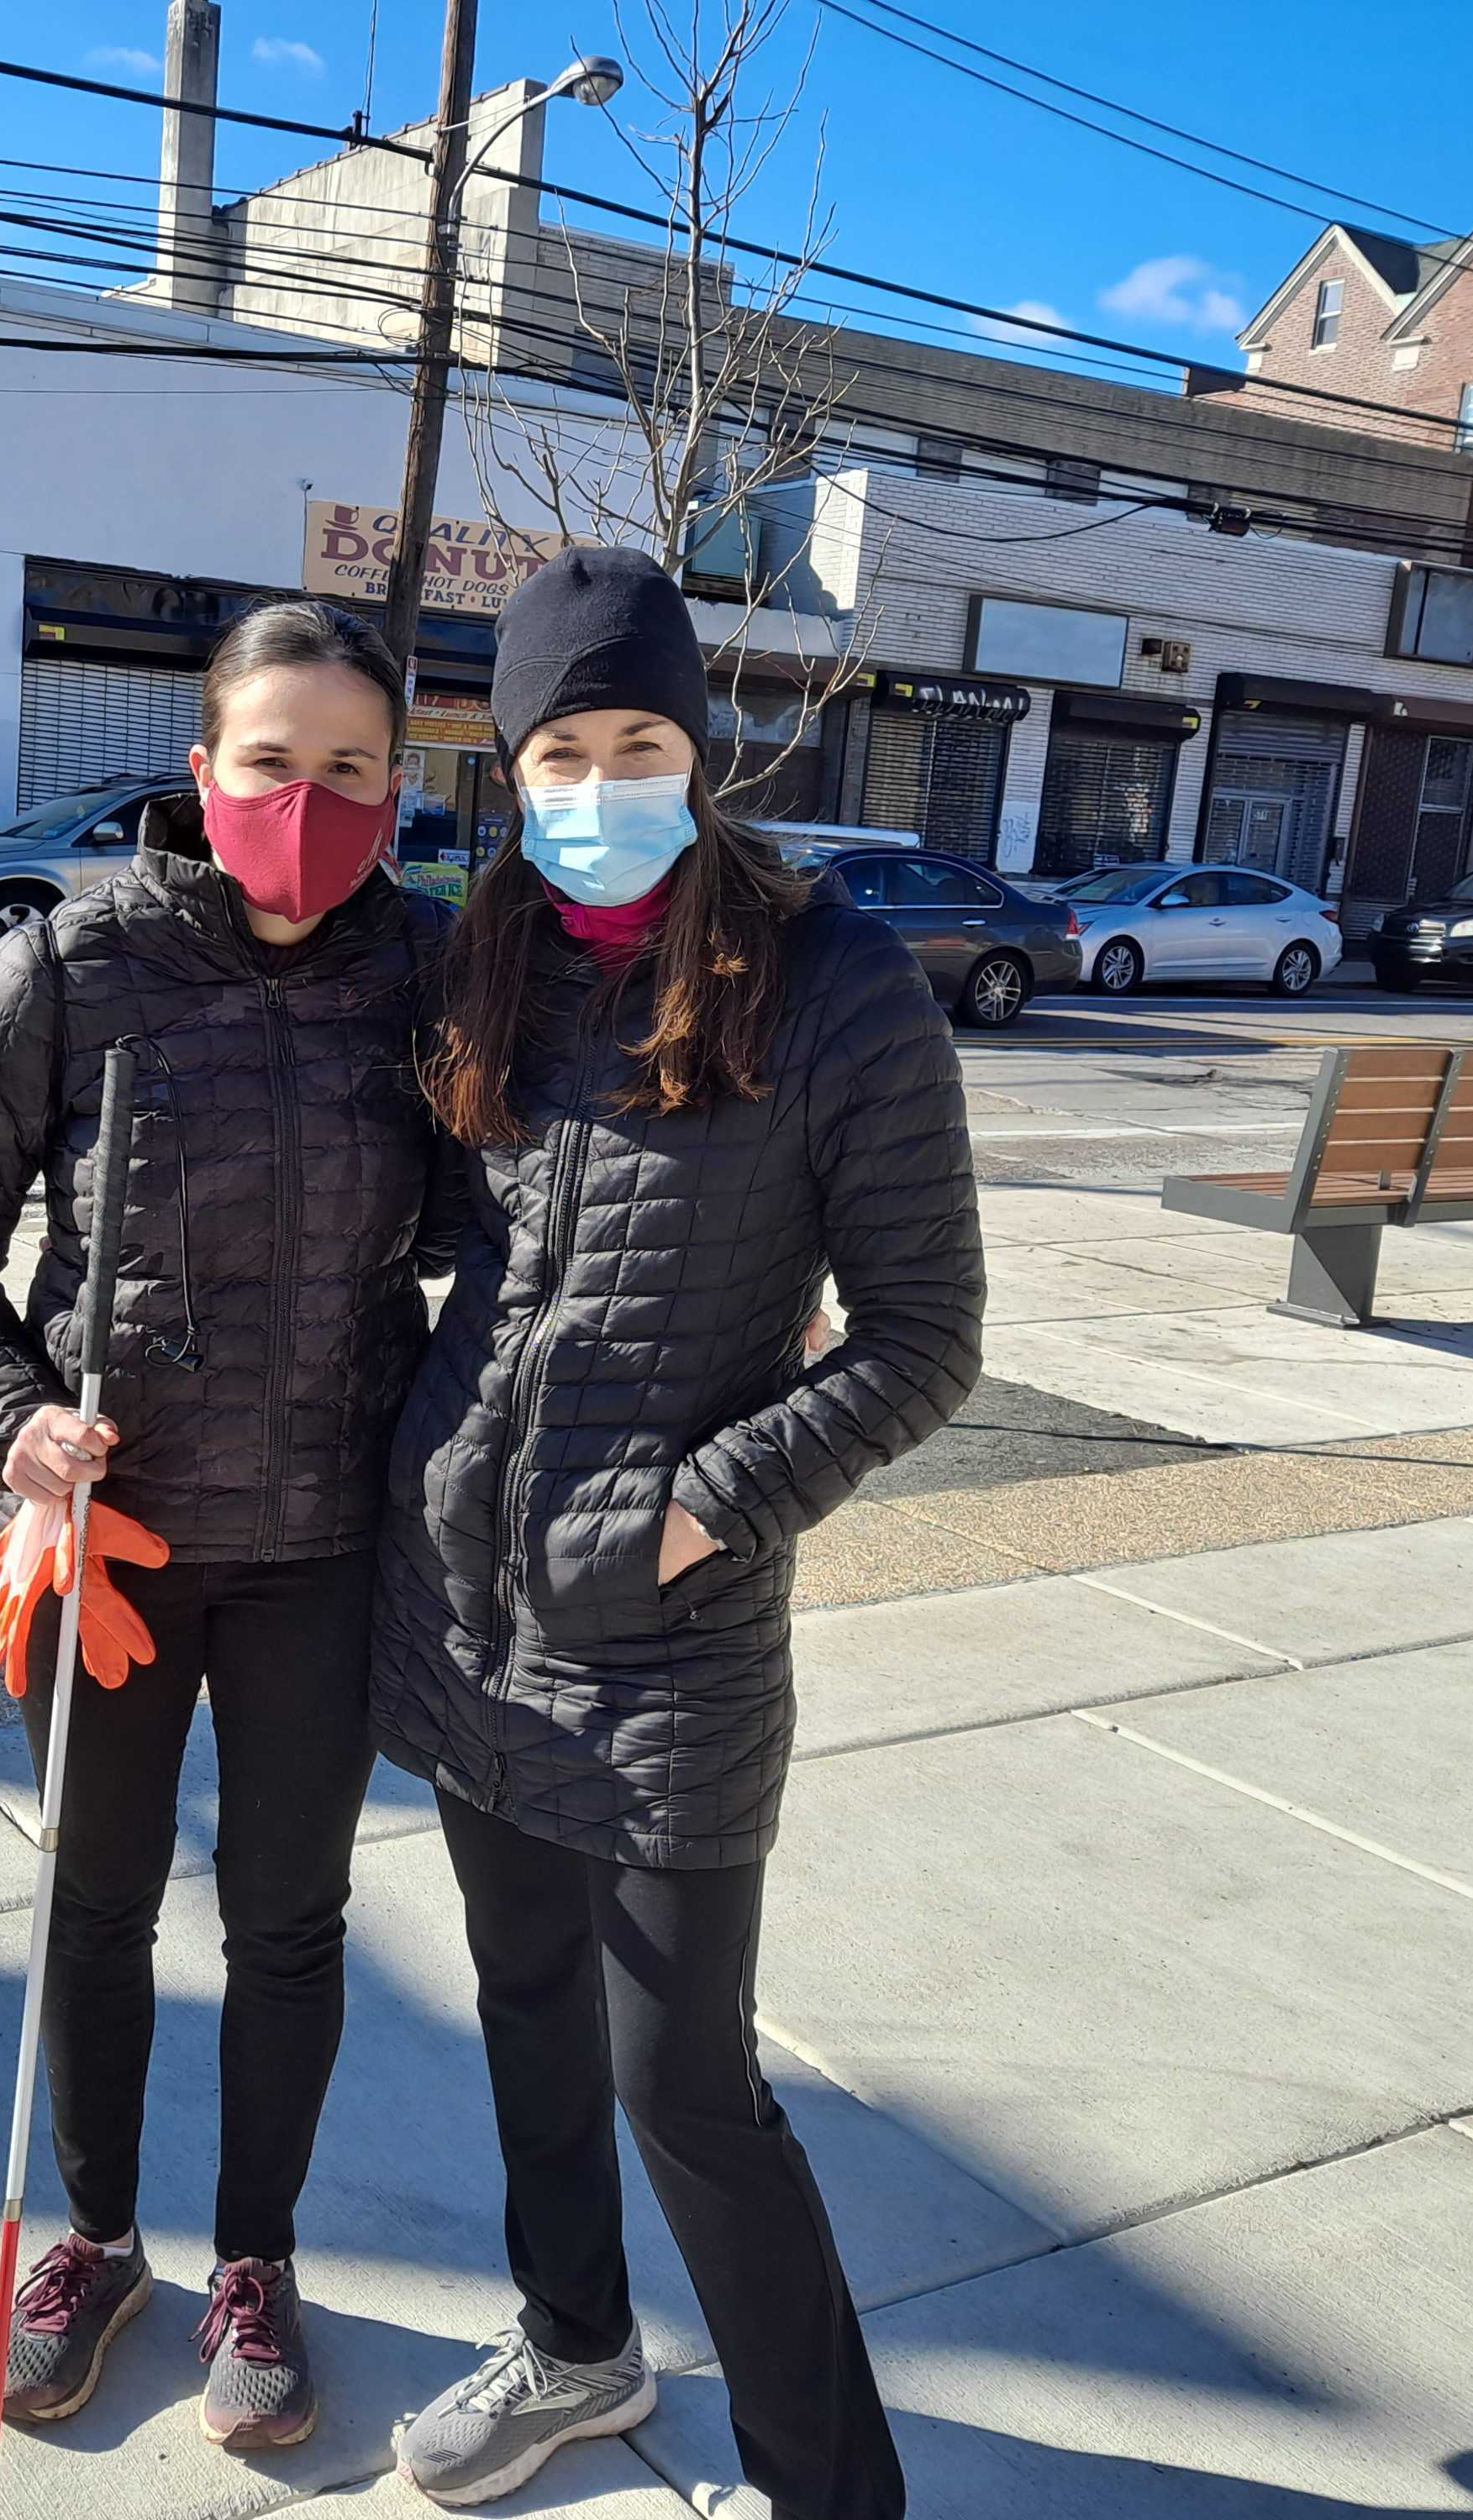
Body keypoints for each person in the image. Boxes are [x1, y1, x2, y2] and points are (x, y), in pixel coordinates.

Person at [373, 548, 984, 2517]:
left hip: (667, 1638)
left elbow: (922, 1338)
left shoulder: (835, 985)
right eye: (561, 744)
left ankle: (834, 2491)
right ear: (514, 758)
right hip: (470, 1613)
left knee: (684, 2084)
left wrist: (704, 1508)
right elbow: (470, 1261)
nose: (596, 777)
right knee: (525, 2005)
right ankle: (573, 2348)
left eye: (636, 738)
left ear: (696, 750)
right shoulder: (492, 956)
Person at [0, 600, 447, 2456]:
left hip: (320, 1544)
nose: (308, 799)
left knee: (290, 1925)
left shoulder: (433, 979)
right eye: (272, 762)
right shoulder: (58, 972)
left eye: (350, 769)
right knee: (92, 1907)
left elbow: (513, 1221)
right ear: (203, 772)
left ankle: (255, 2264)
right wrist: (11, 1418)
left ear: (395, 785)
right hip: (108, 1551)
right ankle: (99, 2239)